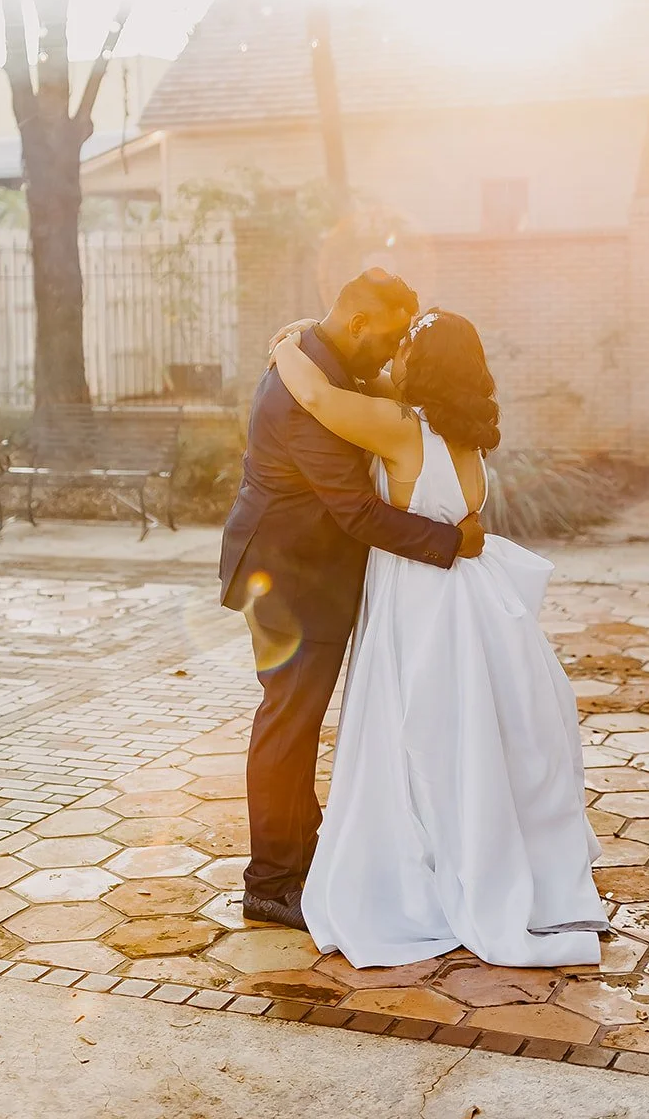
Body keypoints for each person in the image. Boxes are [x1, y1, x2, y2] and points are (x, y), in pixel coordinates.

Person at [270, 306, 608, 967]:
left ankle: (425, 869)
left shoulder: (403, 429)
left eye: (404, 349)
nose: (393, 358)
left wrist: (286, 343)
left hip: (421, 602)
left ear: (421, 365)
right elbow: (380, 398)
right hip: (469, 603)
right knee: (462, 736)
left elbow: (315, 397)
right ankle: (477, 847)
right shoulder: (464, 435)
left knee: (414, 732)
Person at [219, 269, 486, 930]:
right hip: (288, 579)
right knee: (287, 726)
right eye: (391, 340)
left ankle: (303, 858)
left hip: (308, 572)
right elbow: (356, 511)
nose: (394, 357)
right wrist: (450, 542)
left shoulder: (327, 362)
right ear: (360, 325)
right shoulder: (301, 387)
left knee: (298, 724)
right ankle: (270, 883)